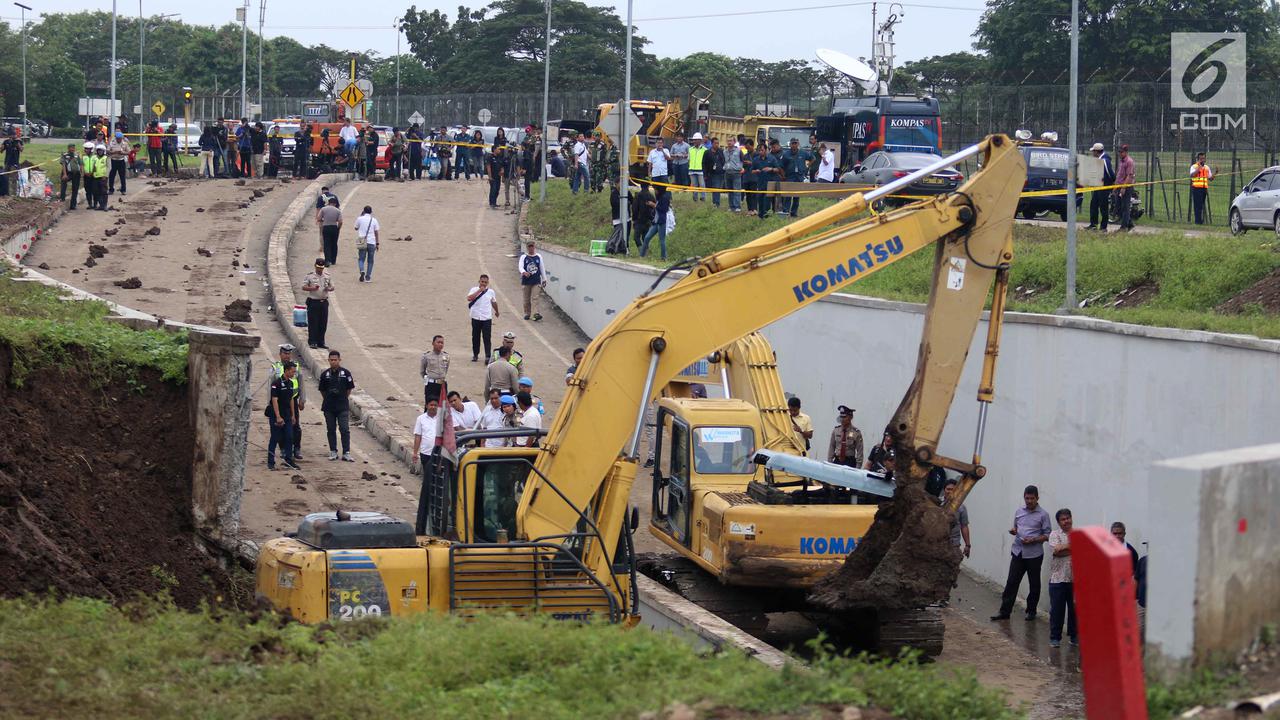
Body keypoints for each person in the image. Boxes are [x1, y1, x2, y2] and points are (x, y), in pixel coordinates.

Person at [991, 485, 1053, 621]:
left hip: (1034, 554)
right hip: (1018, 552)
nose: (1029, 501)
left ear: (1037, 498)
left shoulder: (1043, 515)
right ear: (1024, 497)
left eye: (1032, 498)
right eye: (1027, 498)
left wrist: (1034, 539)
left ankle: (1031, 611)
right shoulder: (1019, 512)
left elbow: (1048, 534)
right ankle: (1004, 612)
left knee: (1034, 584)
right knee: (1012, 582)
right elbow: (1016, 527)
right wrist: (1014, 531)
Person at [268, 343, 307, 459]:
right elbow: (270, 387)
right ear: (280, 354)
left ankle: (297, 448)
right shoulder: (275, 367)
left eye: (289, 353)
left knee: (295, 425)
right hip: (279, 401)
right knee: (280, 427)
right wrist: (269, 404)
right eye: (285, 353)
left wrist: (302, 400)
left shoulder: (296, 367)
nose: (287, 356)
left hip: (293, 400)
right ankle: (283, 449)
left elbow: (301, 383)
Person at [317, 349, 356, 462]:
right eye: (331, 360)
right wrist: (328, 399)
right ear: (328, 360)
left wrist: (343, 398)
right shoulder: (325, 374)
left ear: (339, 360)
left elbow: (349, 388)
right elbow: (322, 390)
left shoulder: (346, 373)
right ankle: (333, 451)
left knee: (344, 429)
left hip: (342, 406)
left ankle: (346, 452)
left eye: (336, 360)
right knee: (331, 429)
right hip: (329, 407)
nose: (333, 362)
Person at [1048, 508, 1078, 648]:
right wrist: (1074, 546)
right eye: (1063, 519)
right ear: (1058, 522)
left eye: (1068, 518)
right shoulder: (1054, 534)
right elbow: (1057, 552)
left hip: (1074, 579)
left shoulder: (1078, 534)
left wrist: (1064, 547)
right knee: (1057, 611)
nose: (1066, 521)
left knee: (1074, 610)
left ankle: (1074, 636)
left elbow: (1062, 550)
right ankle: (1055, 638)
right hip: (1058, 579)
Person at [267, 361, 301, 470]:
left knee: (290, 437)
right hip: (277, 414)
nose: (294, 374)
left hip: (287, 415)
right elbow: (274, 400)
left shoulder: (290, 383)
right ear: (286, 371)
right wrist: (277, 416)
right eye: (292, 371)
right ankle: (270, 462)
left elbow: (291, 399)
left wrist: (293, 415)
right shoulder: (276, 384)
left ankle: (288, 460)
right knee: (275, 438)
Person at [302, 258, 334, 348]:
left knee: (323, 323)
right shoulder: (310, 276)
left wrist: (329, 289)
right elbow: (303, 287)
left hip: (323, 302)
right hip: (313, 301)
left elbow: (332, 287)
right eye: (318, 267)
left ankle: (321, 341)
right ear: (315, 266)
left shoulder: (327, 276)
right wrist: (312, 288)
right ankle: (312, 341)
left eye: (321, 268)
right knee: (313, 322)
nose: (320, 269)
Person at [467, 273, 500, 362]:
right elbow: (469, 298)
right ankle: (475, 354)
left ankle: (487, 356)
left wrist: (496, 311)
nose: (483, 283)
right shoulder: (474, 289)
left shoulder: (491, 292)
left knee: (487, 337)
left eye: (485, 282)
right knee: (475, 337)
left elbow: (493, 302)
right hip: (476, 317)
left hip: (486, 318)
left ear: (488, 282)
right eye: (482, 281)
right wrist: (479, 291)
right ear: (479, 281)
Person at [778, 138, 811, 216]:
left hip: (799, 177)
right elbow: (780, 166)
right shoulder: (786, 154)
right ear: (790, 144)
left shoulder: (803, 153)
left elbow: (813, 158)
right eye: (793, 143)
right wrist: (783, 175)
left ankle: (794, 212)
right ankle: (786, 211)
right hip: (790, 177)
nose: (794, 145)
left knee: (797, 195)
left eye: (795, 143)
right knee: (788, 195)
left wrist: (806, 167)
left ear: (798, 144)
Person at [1087, 142, 1114, 231]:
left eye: (1093, 151)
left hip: (1104, 187)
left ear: (1097, 151)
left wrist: (1110, 183)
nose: (1092, 153)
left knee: (1103, 207)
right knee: (1094, 205)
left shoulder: (1104, 160)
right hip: (1098, 186)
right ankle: (1093, 225)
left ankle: (1103, 227)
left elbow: (1110, 173)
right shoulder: (1099, 159)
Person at [519, 240, 548, 321]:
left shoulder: (538, 256)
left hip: (536, 281)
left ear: (534, 247)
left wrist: (544, 279)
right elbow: (520, 267)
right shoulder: (524, 257)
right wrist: (524, 272)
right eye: (529, 246)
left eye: (532, 246)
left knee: (535, 297)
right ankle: (527, 313)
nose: (531, 248)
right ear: (527, 247)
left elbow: (542, 268)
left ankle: (535, 314)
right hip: (526, 281)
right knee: (526, 299)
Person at [640, 186, 671, 261]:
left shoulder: (664, 198)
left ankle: (663, 257)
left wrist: (654, 205)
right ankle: (641, 255)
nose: (655, 191)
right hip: (656, 221)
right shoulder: (659, 197)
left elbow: (663, 209)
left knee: (662, 240)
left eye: (656, 190)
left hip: (661, 222)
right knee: (647, 237)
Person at [944, 479, 972, 560]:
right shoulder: (937, 502)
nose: (950, 491)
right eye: (948, 489)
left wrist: (967, 545)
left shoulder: (961, 508)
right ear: (944, 490)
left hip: (953, 544)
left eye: (953, 489)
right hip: (937, 543)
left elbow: (964, 526)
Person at [412, 397, 443, 469]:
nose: (433, 407)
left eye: (435, 405)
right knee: (427, 475)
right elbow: (418, 436)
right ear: (426, 406)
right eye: (431, 405)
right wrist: (415, 453)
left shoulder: (442, 419)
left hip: (439, 453)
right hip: (425, 453)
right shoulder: (420, 419)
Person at [420, 334, 450, 407]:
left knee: (443, 407)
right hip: (431, 385)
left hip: (442, 384)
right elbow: (422, 371)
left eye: (442, 343)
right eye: (438, 342)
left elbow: (446, 369)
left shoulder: (446, 356)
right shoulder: (426, 356)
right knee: (429, 406)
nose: (440, 344)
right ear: (433, 343)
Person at [354, 205, 379, 283]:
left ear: (364, 211)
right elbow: (376, 232)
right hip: (372, 241)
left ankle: (362, 271)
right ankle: (368, 277)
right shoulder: (374, 220)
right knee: (370, 260)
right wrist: (377, 243)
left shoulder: (360, 218)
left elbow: (356, 228)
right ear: (371, 212)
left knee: (361, 258)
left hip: (362, 240)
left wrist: (361, 216)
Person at [1114, 144, 1136, 231]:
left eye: (1121, 152)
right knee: (1118, 207)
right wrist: (1115, 186)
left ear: (1126, 152)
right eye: (1119, 152)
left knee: (1125, 207)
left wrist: (1123, 187)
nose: (1120, 153)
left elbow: (1129, 176)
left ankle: (1124, 227)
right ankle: (1129, 223)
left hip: (1126, 187)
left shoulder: (1129, 161)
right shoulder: (1122, 161)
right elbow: (1119, 174)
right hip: (1119, 186)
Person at [1189, 152, 1214, 225]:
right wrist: (1198, 168)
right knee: (1197, 205)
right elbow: (1192, 175)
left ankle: (1201, 220)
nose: (1202, 160)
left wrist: (1216, 173)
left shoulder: (1207, 167)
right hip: (1196, 188)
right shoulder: (1194, 166)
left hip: (1204, 189)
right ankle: (1198, 221)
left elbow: (1210, 178)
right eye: (1201, 159)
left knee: (1202, 205)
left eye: (1203, 158)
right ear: (1198, 159)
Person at [317, 197, 342, 268]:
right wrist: (338, 228)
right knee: (334, 244)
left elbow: (318, 218)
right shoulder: (338, 211)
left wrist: (324, 220)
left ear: (328, 202)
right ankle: (333, 260)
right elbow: (340, 221)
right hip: (334, 227)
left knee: (327, 244)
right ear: (335, 204)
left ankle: (327, 260)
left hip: (326, 227)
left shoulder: (323, 209)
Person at [723, 137, 744, 212]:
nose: (729, 142)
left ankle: (737, 206)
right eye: (728, 141)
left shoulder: (739, 151)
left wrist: (742, 168)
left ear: (734, 142)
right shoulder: (724, 151)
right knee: (730, 190)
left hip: (736, 173)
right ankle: (731, 206)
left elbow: (743, 160)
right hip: (727, 172)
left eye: (731, 141)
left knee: (737, 190)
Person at [632, 181, 654, 251]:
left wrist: (634, 219)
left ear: (641, 186)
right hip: (648, 220)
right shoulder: (651, 196)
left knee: (636, 237)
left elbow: (634, 208)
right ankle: (646, 251)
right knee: (645, 238)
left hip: (639, 220)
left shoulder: (638, 196)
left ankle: (641, 251)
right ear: (648, 186)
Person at [58, 144, 81, 210]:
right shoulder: (65, 155)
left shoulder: (76, 155)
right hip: (67, 172)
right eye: (71, 148)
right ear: (68, 148)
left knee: (75, 189)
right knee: (63, 183)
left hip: (76, 173)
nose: (72, 149)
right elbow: (63, 165)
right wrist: (65, 174)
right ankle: (62, 199)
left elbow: (80, 163)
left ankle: (73, 205)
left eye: (73, 148)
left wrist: (81, 172)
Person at [705, 137, 725, 207]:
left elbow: (724, 161)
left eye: (718, 143)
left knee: (718, 188)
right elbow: (704, 163)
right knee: (715, 188)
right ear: (711, 143)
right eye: (715, 143)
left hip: (720, 173)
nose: (717, 145)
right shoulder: (707, 152)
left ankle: (716, 203)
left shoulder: (721, 151)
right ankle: (715, 203)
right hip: (712, 173)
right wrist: (705, 174)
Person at [687, 133, 706, 201]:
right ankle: (695, 198)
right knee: (694, 185)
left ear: (700, 140)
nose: (694, 141)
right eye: (694, 140)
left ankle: (703, 197)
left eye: (696, 140)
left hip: (700, 170)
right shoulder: (690, 149)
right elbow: (689, 159)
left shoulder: (704, 150)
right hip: (692, 169)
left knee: (702, 185)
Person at [91, 145, 109, 210]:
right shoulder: (95, 158)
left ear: (103, 151)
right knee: (96, 192)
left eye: (101, 150)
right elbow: (93, 166)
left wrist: (105, 175)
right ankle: (101, 205)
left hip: (103, 177)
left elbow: (108, 167)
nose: (100, 152)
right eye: (98, 150)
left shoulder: (106, 158)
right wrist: (92, 173)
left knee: (104, 191)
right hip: (95, 177)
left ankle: (105, 205)